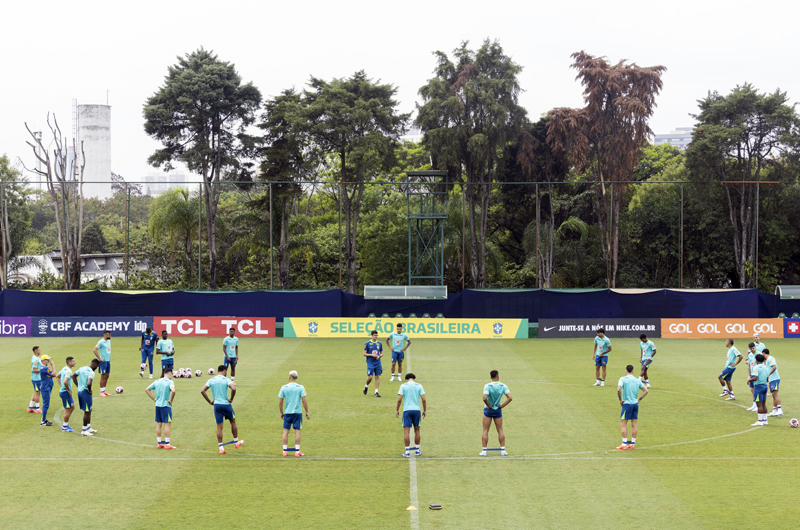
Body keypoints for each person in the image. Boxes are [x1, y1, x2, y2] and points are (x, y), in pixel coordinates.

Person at [200, 365, 244, 454]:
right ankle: (236, 442)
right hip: (226, 405)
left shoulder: (211, 380)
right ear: (224, 371)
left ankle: (221, 448)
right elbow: (234, 388)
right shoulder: (226, 380)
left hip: (217, 405)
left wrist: (209, 401)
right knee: (233, 422)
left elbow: (202, 390)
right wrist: (231, 399)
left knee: (219, 427)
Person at [480, 370, 512, 456]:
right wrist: (502, 406)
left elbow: (484, 398)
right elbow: (510, 398)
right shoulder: (503, 386)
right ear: (498, 376)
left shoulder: (487, 386)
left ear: (490, 377)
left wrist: (488, 405)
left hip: (488, 411)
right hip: (497, 410)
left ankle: (484, 451)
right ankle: (503, 450)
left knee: (485, 430)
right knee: (500, 430)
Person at [616, 364, 648, 450]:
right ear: (633, 371)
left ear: (625, 371)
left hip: (627, 404)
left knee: (623, 423)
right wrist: (639, 399)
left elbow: (618, 389)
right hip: (635, 404)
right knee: (634, 424)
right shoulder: (637, 380)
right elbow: (646, 390)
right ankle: (632, 444)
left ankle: (624, 444)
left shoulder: (622, 379)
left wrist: (620, 400)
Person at [278, 371, 310, 457]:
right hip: (297, 413)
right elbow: (304, 400)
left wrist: (281, 412)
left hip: (288, 413)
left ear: (289, 377)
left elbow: (280, 401)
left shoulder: (284, 387)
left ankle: (284, 451)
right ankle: (297, 451)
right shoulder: (300, 387)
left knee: (285, 431)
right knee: (297, 432)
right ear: (297, 378)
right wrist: (307, 412)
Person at [396, 373, 426, 457]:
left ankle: (407, 451)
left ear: (406, 379)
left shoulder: (403, 386)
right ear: (414, 379)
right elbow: (423, 399)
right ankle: (417, 450)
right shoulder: (419, 385)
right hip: (417, 410)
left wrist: (397, 410)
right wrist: (425, 410)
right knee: (417, 430)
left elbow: (399, 399)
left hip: (407, 411)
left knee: (406, 432)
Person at [145, 368, 176, 449]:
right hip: (166, 405)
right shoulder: (170, 382)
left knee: (159, 424)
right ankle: (167, 444)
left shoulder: (157, 381)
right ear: (170, 374)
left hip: (158, 405)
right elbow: (173, 391)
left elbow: (147, 390)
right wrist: (171, 400)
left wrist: (154, 399)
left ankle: (159, 443)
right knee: (167, 423)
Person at [72, 359, 100, 436]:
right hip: (85, 393)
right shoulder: (91, 372)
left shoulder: (82, 368)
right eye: (97, 366)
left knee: (89, 410)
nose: (97, 368)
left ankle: (88, 427)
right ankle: (84, 430)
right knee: (87, 411)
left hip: (80, 391)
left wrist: (78, 386)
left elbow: (73, 376)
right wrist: (89, 390)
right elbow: (88, 382)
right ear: (94, 365)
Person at [747, 354, 769, 426]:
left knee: (759, 404)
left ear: (756, 360)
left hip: (758, 387)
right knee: (763, 403)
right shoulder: (766, 367)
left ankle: (760, 421)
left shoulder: (756, 367)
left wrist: (749, 380)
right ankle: (765, 420)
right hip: (765, 386)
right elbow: (767, 378)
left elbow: (755, 377)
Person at [58, 357, 77, 433]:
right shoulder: (69, 371)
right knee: (67, 410)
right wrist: (68, 390)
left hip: (64, 392)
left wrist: (61, 385)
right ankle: (64, 427)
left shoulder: (64, 368)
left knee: (72, 407)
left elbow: (57, 376)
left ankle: (65, 424)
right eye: (73, 361)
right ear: (69, 362)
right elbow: (65, 381)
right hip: (65, 393)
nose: (75, 362)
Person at [38, 354, 58, 426]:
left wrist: (50, 373)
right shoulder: (45, 368)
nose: (49, 361)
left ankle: (44, 419)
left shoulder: (43, 367)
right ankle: (43, 421)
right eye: (47, 360)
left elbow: (51, 374)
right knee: (46, 404)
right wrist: (53, 366)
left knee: (46, 404)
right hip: (46, 388)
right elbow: (54, 374)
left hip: (46, 387)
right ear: (43, 360)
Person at [363, 329, 383, 397]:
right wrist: (372, 355)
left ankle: (376, 392)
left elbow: (382, 353)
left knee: (377, 377)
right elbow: (364, 353)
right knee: (370, 377)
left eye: (377, 335)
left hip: (378, 362)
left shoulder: (379, 343)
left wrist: (379, 356)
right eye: (375, 335)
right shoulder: (367, 343)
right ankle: (366, 386)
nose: (376, 336)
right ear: (371, 335)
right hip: (370, 362)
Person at [763, 348, 783, 417]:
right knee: (774, 394)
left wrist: (769, 374)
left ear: (763, 353)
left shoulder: (770, 359)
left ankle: (780, 410)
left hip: (774, 379)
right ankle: (774, 410)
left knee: (775, 394)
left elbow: (774, 367)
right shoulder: (768, 359)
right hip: (772, 379)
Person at [93, 330, 112, 397]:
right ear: (104, 335)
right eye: (107, 334)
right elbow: (94, 350)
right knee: (103, 376)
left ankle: (104, 391)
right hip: (103, 362)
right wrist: (100, 358)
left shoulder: (109, 341)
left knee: (107, 376)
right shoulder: (100, 342)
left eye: (109, 334)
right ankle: (101, 392)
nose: (109, 336)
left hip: (108, 361)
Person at [27, 346, 43, 414]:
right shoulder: (35, 359)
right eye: (39, 350)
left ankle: (30, 408)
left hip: (37, 378)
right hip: (36, 379)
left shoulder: (36, 357)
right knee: (37, 393)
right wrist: (42, 370)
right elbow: (34, 370)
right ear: (35, 351)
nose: (40, 351)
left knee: (36, 392)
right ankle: (38, 408)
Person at [745, 343, 758, 412]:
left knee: (756, 389)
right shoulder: (750, 355)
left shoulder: (758, 354)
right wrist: (749, 375)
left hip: (756, 374)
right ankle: (754, 404)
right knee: (752, 390)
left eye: (753, 348)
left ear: (755, 347)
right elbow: (749, 366)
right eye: (751, 348)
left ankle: (757, 405)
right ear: (749, 349)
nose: (753, 349)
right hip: (752, 374)